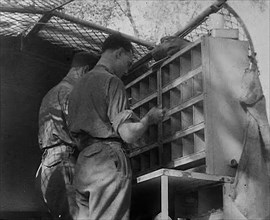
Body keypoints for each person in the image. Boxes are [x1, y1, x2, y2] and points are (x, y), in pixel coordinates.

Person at [67, 34, 165, 220]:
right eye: (128, 63)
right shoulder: (111, 81)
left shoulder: (76, 88)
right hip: (107, 162)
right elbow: (127, 134)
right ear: (119, 53)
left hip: (83, 165)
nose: (127, 71)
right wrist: (147, 120)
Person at [37, 52, 98, 220]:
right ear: (85, 71)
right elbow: (81, 132)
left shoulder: (50, 94)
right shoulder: (72, 93)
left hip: (47, 166)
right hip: (64, 163)